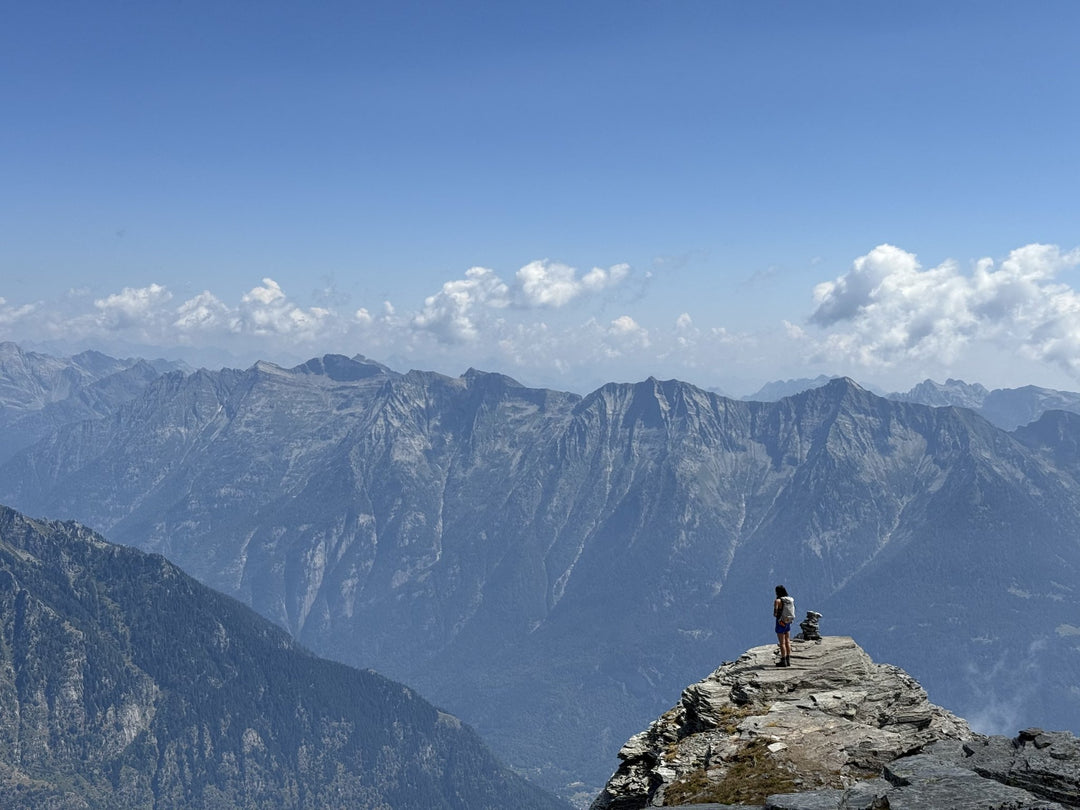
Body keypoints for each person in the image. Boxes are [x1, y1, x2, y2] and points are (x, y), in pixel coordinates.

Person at [773, 585, 795, 667]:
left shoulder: (777, 601)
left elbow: (775, 614)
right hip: (788, 622)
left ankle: (783, 661)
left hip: (780, 622)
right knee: (787, 641)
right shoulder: (789, 600)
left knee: (782, 643)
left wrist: (777, 613)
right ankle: (788, 660)